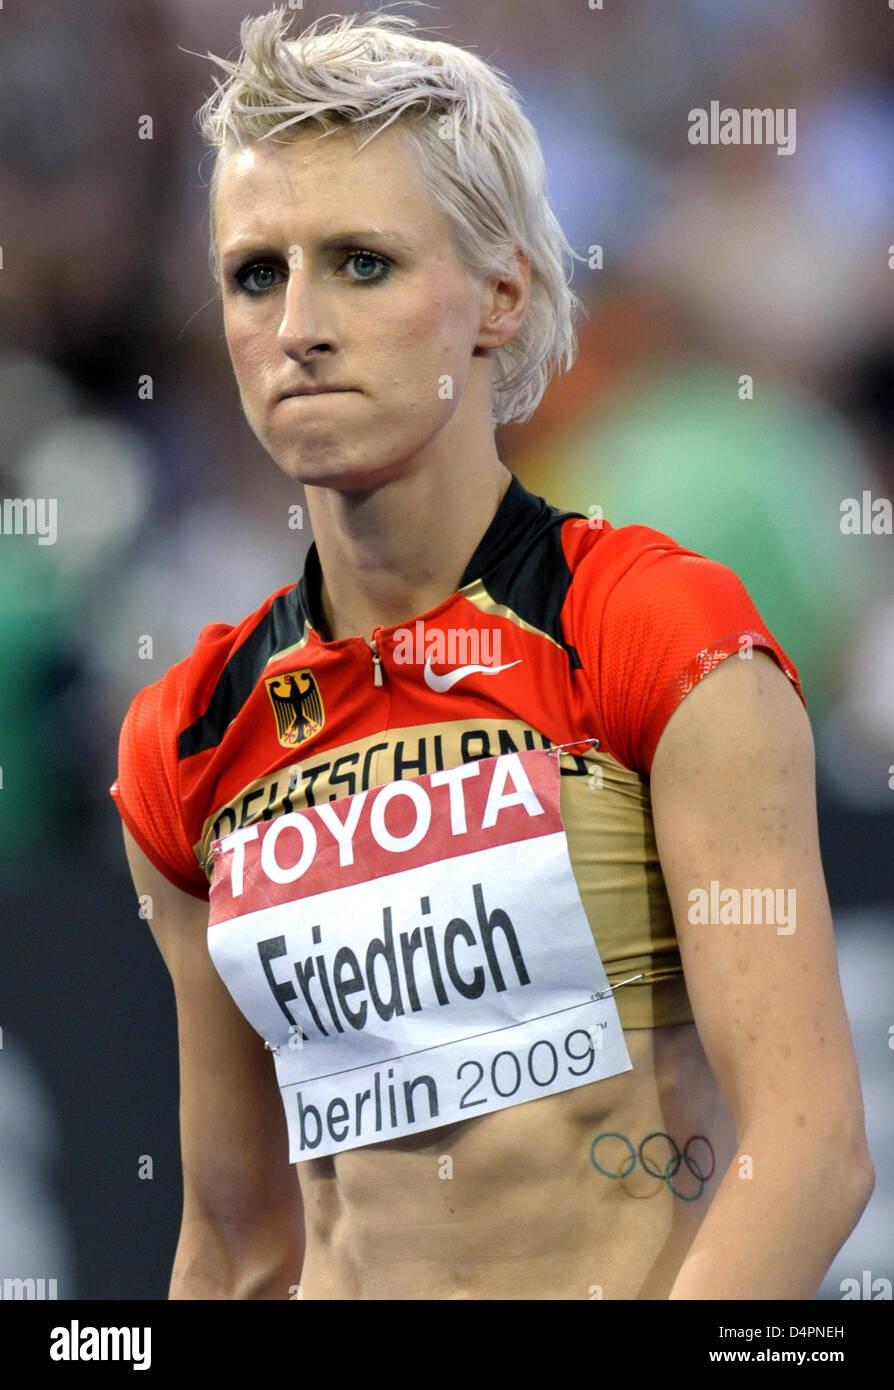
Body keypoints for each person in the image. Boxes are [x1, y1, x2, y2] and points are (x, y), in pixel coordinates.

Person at [110, 5, 873, 1300]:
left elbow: (807, 1153)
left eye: (361, 263)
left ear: (499, 294)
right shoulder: (185, 730)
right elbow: (239, 1244)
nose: (296, 324)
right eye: (255, 272)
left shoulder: (655, 630)